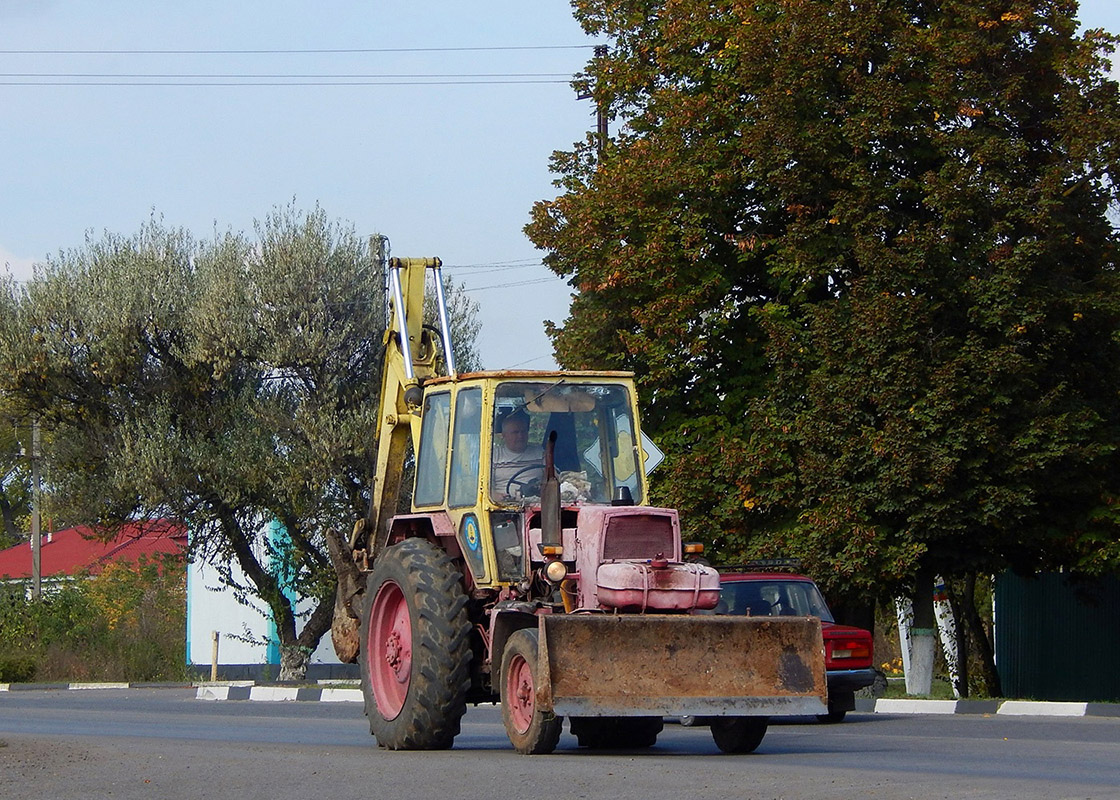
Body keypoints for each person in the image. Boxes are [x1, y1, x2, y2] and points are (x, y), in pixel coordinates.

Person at [491, 409, 544, 499]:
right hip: (503, 507)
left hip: (538, 504)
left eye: (523, 431)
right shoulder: (494, 456)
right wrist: (496, 496)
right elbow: (484, 488)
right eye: (515, 432)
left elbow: (554, 477)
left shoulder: (539, 452)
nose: (520, 436)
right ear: (504, 435)